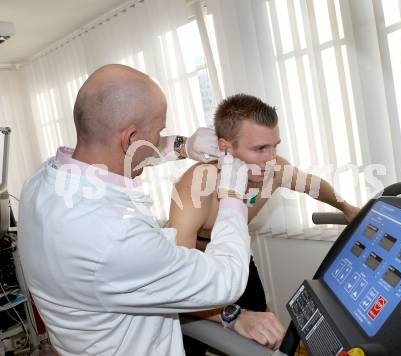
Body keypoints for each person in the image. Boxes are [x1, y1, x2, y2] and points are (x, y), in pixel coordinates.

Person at [18, 64, 255, 355]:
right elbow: (226, 280)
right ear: (131, 137)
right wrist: (232, 196)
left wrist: (183, 145)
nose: (160, 137)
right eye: (159, 131)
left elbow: (124, 154)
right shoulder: (116, 236)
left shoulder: (42, 182)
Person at [168, 93, 359, 353]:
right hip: (197, 268)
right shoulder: (197, 185)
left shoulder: (275, 169)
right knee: (192, 346)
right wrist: (230, 316)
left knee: (266, 338)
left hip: (237, 259)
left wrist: (347, 208)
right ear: (225, 147)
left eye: (274, 146)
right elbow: (178, 278)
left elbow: (314, 186)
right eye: (259, 149)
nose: (271, 160)